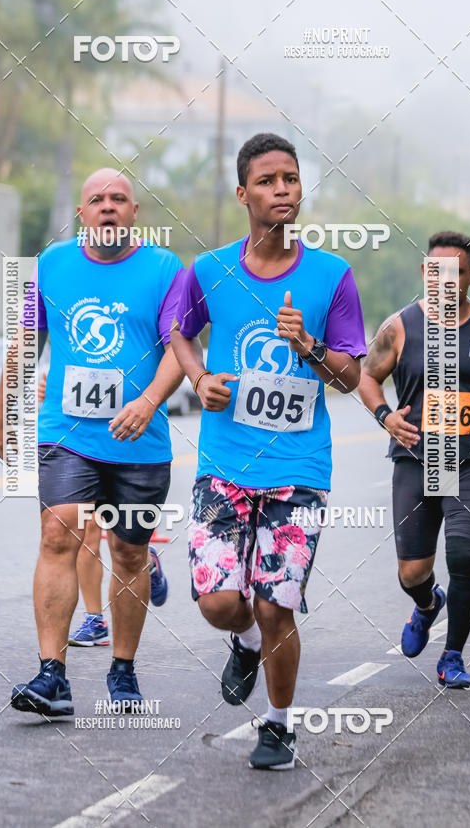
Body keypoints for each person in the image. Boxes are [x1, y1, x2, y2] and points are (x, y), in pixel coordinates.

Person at [170, 133, 366, 768]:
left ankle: (278, 725)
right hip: (224, 466)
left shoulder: (333, 276)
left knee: (274, 601)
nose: (283, 189)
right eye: (267, 181)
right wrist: (200, 380)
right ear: (242, 194)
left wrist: (308, 344)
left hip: (298, 471)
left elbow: (347, 376)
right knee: (221, 603)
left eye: (291, 178)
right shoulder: (211, 271)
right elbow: (178, 330)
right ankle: (246, 642)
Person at [0, 168, 183, 715]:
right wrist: (5, 410)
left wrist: (147, 402)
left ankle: (123, 669)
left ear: (134, 213)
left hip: (140, 440)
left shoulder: (165, 268)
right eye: (96, 200)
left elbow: (180, 347)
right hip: (65, 431)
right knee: (58, 532)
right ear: (82, 215)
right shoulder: (50, 265)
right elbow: (26, 337)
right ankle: (53, 675)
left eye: (118, 199)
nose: (107, 207)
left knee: (128, 549)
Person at [359, 231, 470, 689]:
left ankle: (451, 655)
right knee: (411, 572)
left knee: (463, 554)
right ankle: (425, 604)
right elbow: (367, 376)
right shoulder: (399, 327)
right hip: (416, 458)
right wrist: (384, 415)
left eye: (456, 272)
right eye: (436, 271)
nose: (445, 281)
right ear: (424, 273)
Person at [35, 374, 169, 649]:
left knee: (123, 543)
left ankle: (144, 561)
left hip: (126, 439)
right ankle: (95, 620)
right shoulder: (59, 331)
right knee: (85, 533)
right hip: (77, 443)